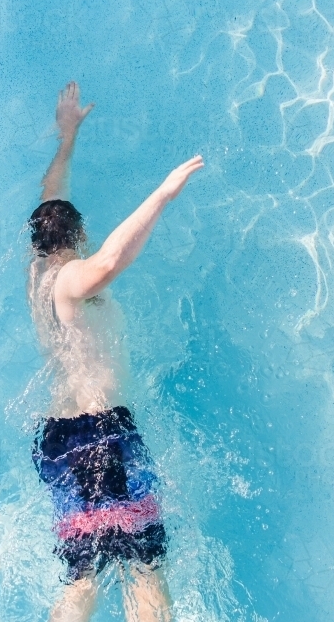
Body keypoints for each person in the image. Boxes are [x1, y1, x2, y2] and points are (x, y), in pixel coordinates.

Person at [26, 81, 204, 622]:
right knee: (143, 568)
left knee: (83, 578)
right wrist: (163, 194)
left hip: (60, 439)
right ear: (79, 237)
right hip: (99, 433)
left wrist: (68, 138)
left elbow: (50, 194)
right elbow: (107, 263)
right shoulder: (73, 279)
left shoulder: (37, 273)